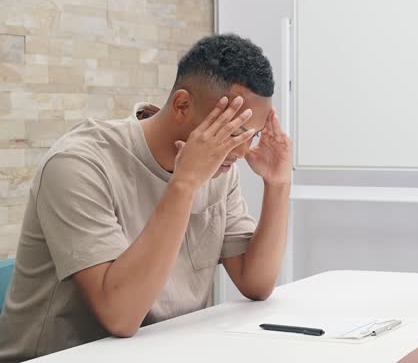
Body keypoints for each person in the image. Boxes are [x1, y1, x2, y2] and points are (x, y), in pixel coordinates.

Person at [0, 34, 292, 361]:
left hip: (160, 350)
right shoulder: (78, 164)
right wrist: (184, 184)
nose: (240, 151)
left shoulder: (220, 169)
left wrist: (278, 184)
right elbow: (121, 316)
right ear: (182, 105)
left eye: (250, 135)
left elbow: (257, 282)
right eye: (232, 132)